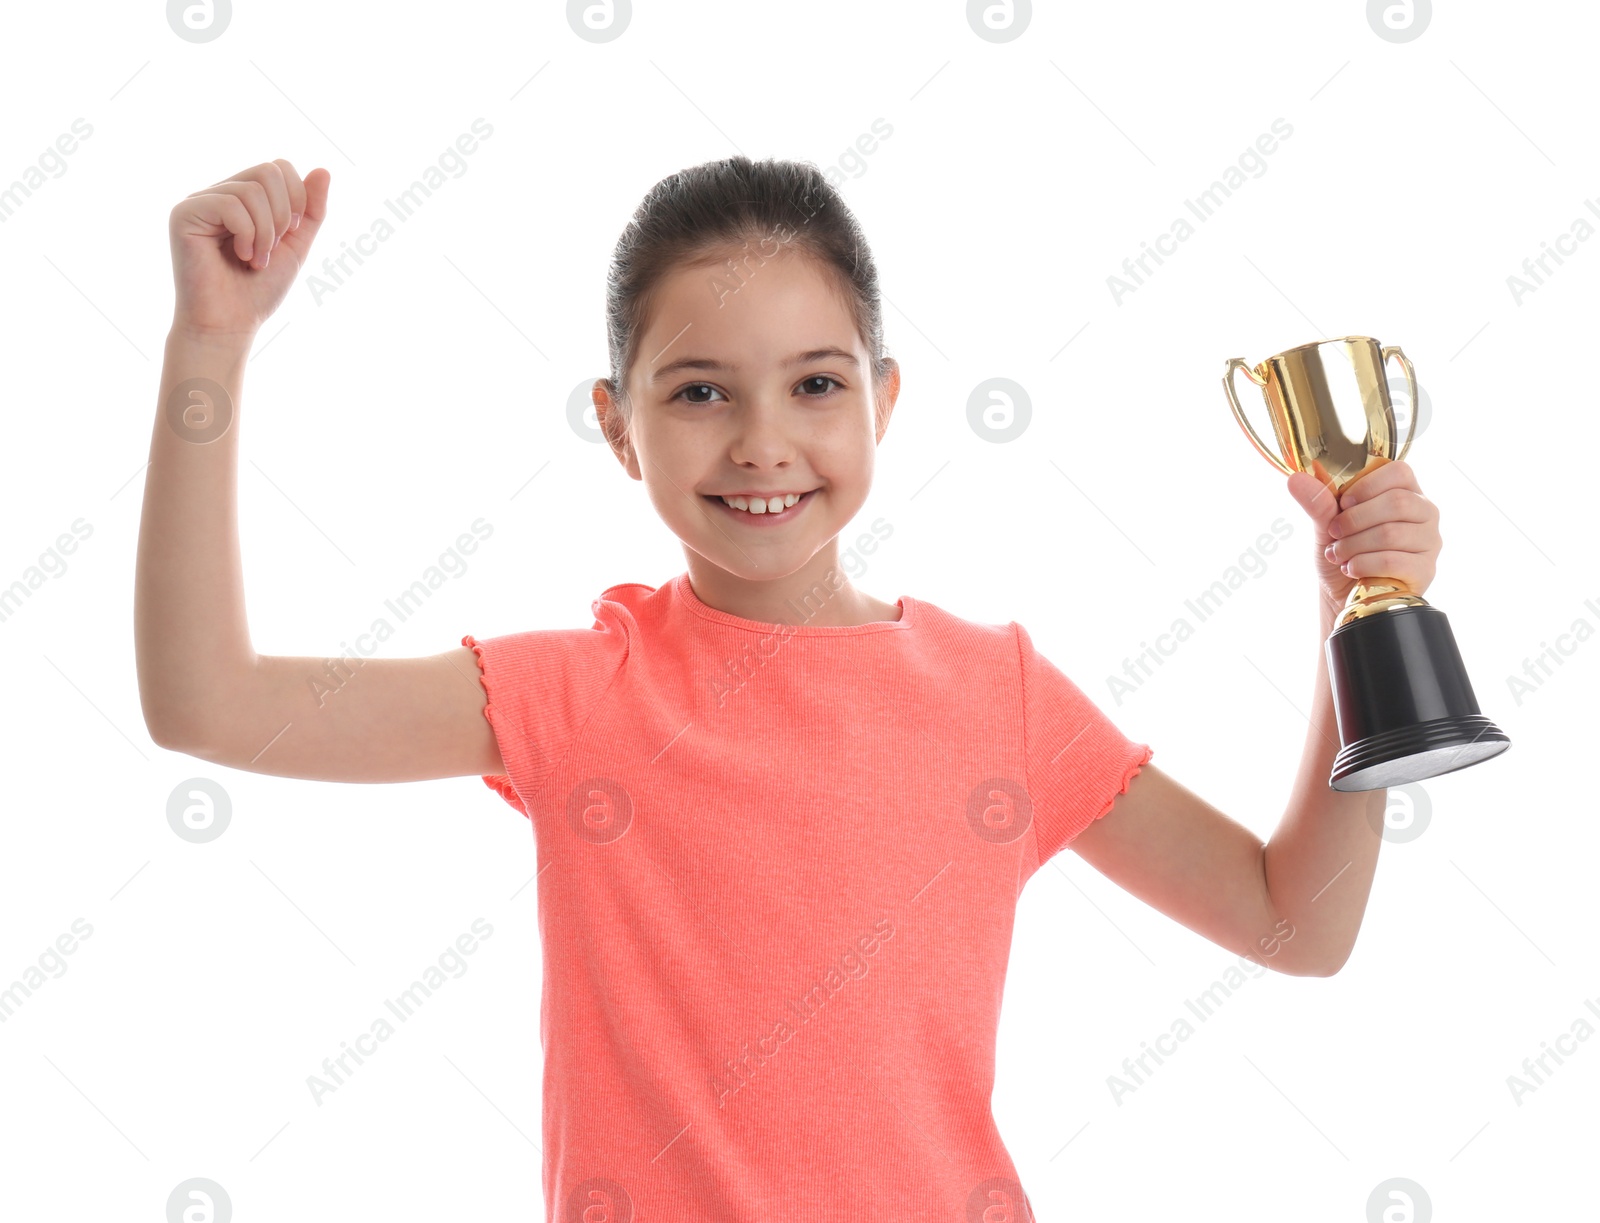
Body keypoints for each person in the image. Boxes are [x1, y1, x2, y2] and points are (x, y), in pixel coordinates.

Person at [136, 154, 1443, 1220]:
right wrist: (211, 344)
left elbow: (1295, 923)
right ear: (616, 424)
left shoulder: (1000, 697)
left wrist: (1353, 619)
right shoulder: (576, 696)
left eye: (814, 385)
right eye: (699, 390)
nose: (763, 442)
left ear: (881, 401)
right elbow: (206, 702)